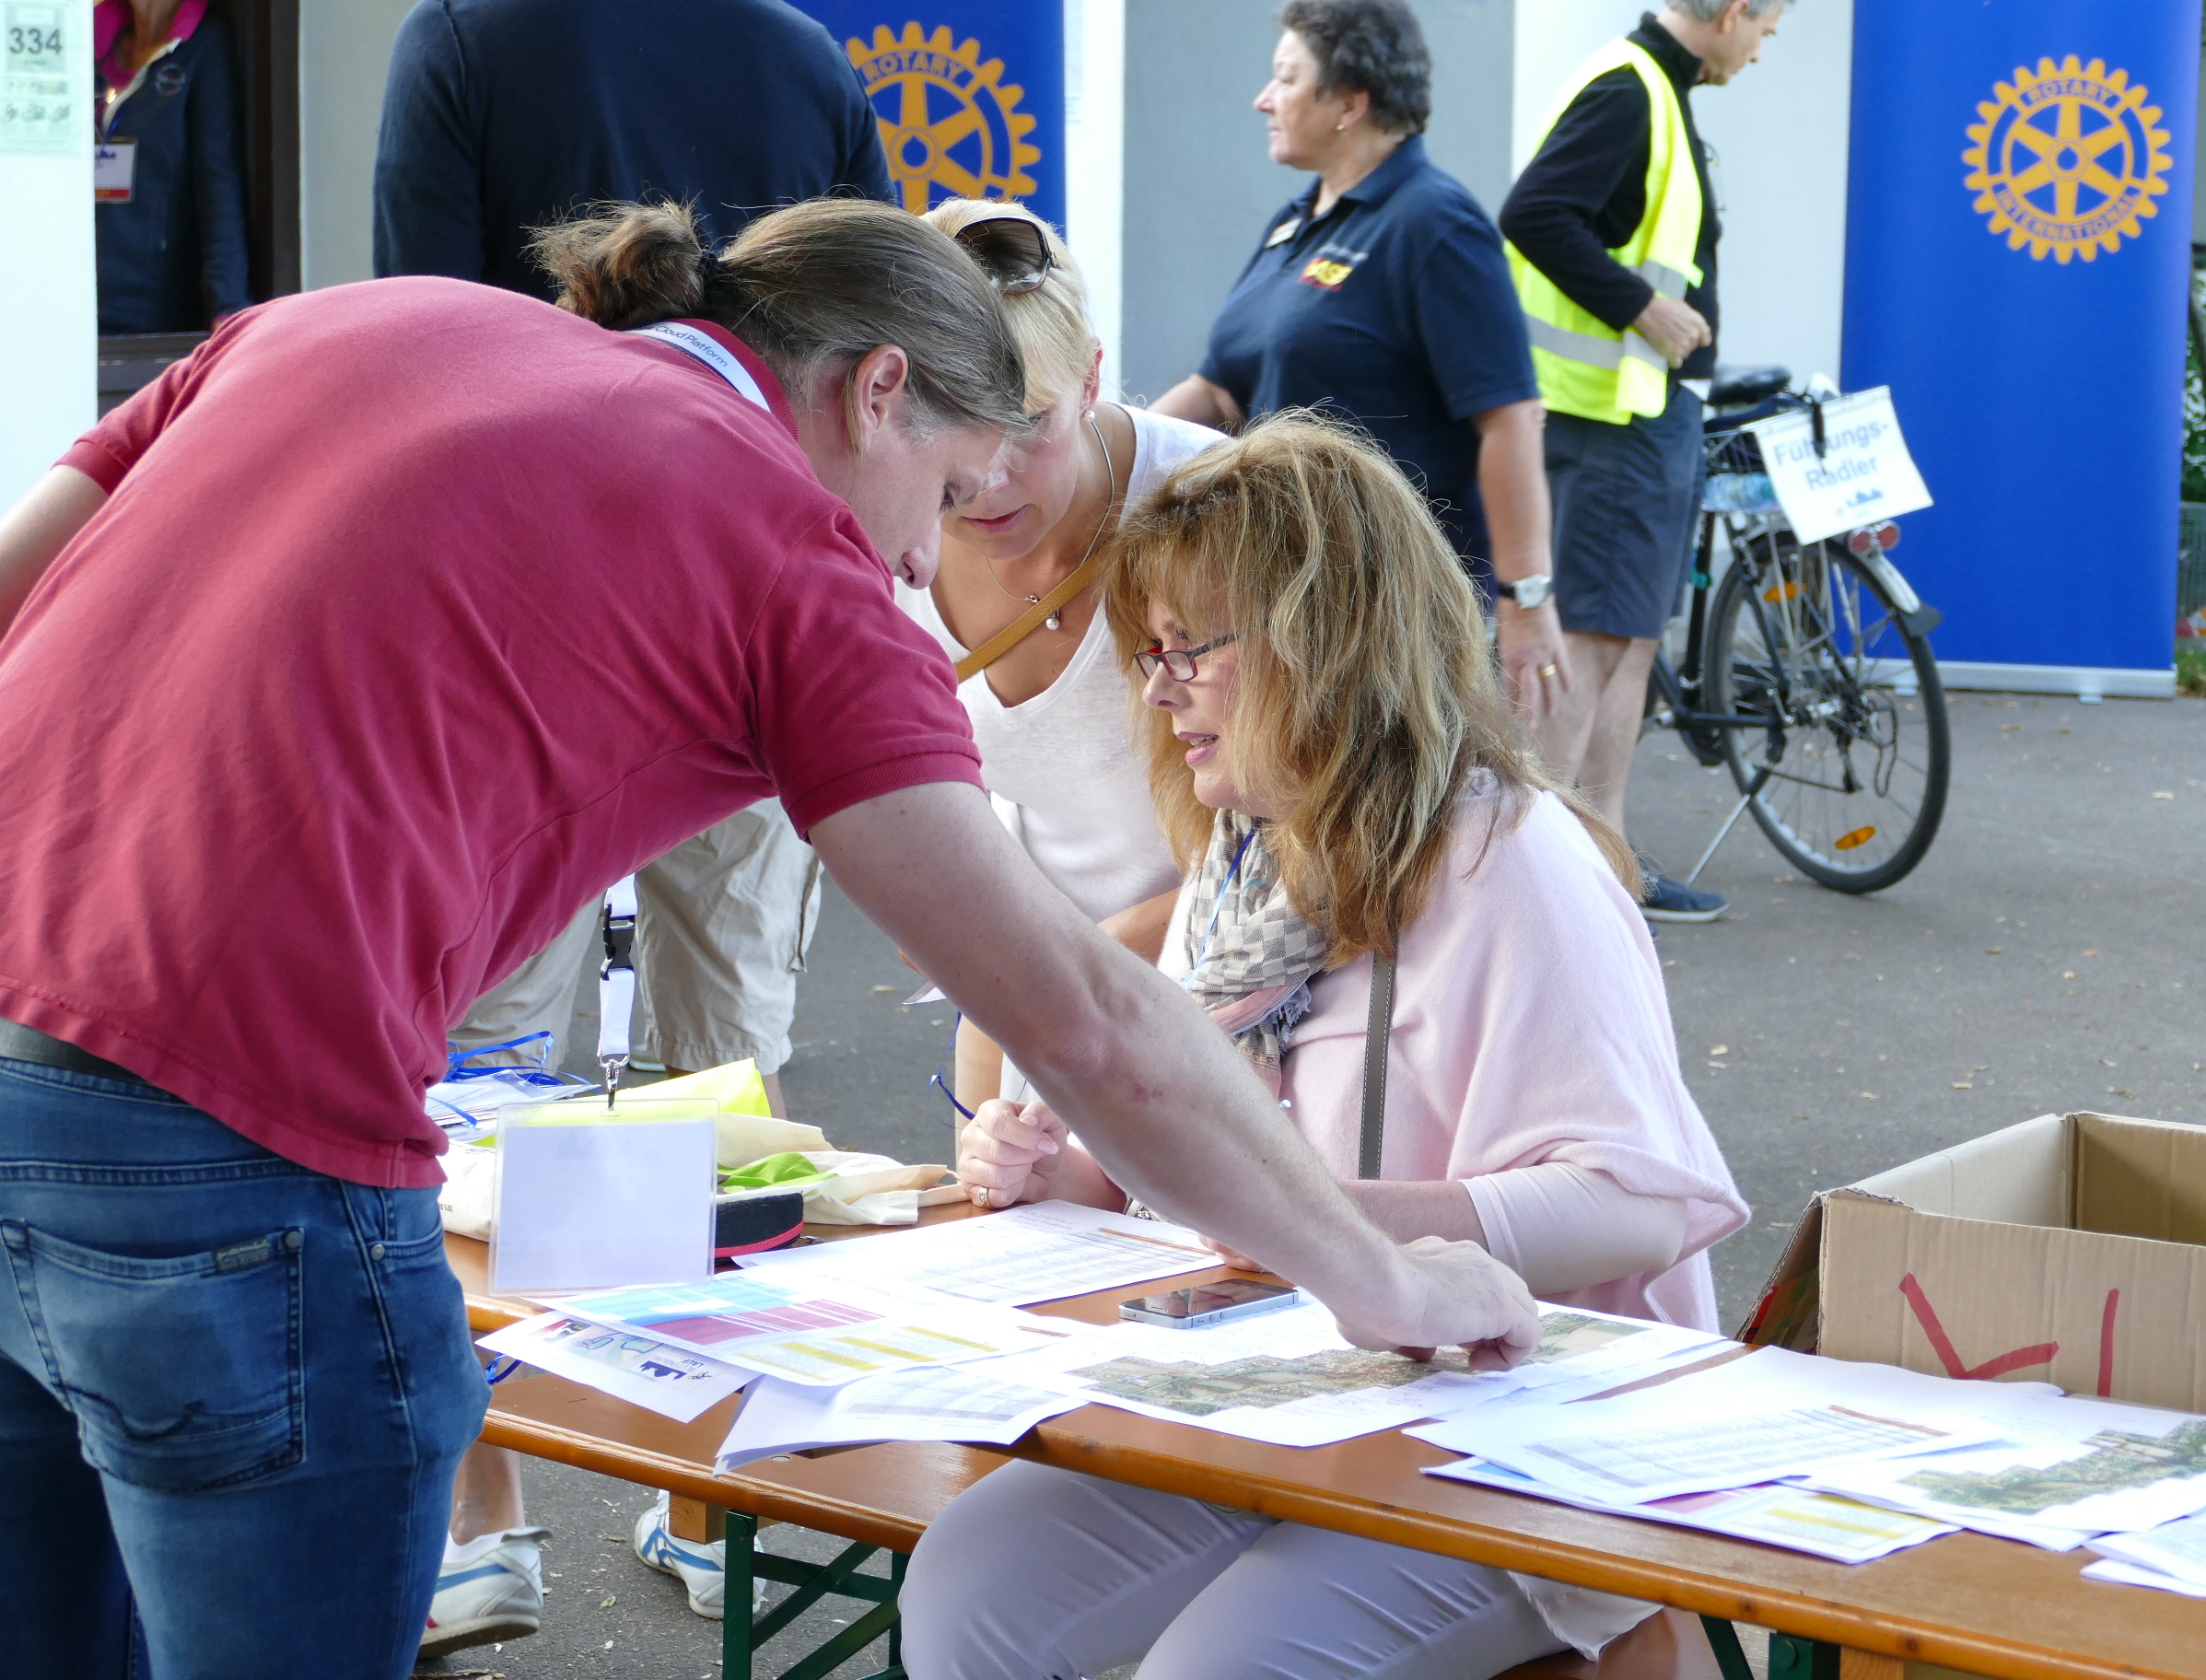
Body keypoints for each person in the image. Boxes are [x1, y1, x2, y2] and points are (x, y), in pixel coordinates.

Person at [0, 199, 1537, 1680]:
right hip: (245, 1143)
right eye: (949, 493)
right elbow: (1081, 1013)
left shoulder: (352, 317)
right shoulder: (793, 554)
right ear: (878, 390)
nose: (927, 566)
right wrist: (1376, 1279)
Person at [909, 414, 1748, 1680]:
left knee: (1217, 1672)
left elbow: (1639, 1205)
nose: (1159, 690)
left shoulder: (1509, 857)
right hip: (1291, 1387)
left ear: (1325, 640)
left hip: (1526, 1427)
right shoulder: (1245, 856)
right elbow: (1190, 1161)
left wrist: (1321, 1227)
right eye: (1151, 652)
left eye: (1192, 649)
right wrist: (1061, 1172)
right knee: (969, 1583)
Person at [372, 9, 898, 1631]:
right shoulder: (803, 58)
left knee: (477, 1084)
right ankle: (706, 1493)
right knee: (722, 1075)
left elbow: (421, 327)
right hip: (754, 605)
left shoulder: (464, 37)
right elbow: (873, 322)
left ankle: (485, 1520)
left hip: (522, 618)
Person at [1150, 0, 1571, 720]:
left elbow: (1510, 417)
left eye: (1286, 78)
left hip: (1391, 611)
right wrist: (1107, 449)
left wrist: (1526, 597)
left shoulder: (1434, 222)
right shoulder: (1297, 219)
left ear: (1349, 103)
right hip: (1286, 590)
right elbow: (1219, 390)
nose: (1263, 99)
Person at [896, 200, 1223, 1114]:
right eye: (952, 422)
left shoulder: (1213, 507)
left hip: (1233, 1003)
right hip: (1026, 1014)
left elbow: (1325, 828)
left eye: (1029, 421)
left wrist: (1068, 963)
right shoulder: (883, 523)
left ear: (1091, 380)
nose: (988, 479)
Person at [1497, 0, 1787, 924]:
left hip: (1638, 412)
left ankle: (1602, 858)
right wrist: (1642, 308)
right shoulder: (1631, 89)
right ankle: (1541, 880)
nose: (1762, 49)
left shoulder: (1653, 87)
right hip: (1612, 418)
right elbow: (1533, 213)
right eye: (1767, 28)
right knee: (1590, 642)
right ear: (1733, 11)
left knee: (1625, 640)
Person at [373, 0, 892, 293]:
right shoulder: (816, 60)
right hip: (761, 449)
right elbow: (888, 311)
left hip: (541, 448)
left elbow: (424, 326)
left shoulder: (454, 38)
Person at [93, 0, 251, 333]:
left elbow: (218, 185)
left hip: (151, 317)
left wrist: (229, 305)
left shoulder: (203, 46)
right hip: (67, 300)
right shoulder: (88, 42)